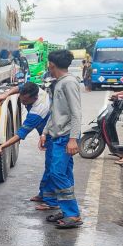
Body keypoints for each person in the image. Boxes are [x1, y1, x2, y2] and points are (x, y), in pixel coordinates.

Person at [38, 50, 83, 229]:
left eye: (48, 63)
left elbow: (76, 113)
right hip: (57, 136)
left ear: (52, 64)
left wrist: (73, 139)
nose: (48, 66)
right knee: (63, 173)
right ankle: (66, 211)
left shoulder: (69, 83)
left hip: (65, 137)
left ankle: (72, 214)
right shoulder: (59, 83)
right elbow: (55, 112)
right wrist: (45, 132)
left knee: (57, 173)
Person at [0, 82, 51, 201]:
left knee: (53, 168)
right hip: (45, 132)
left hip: (52, 136)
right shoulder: (35, 89)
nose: (22, 102)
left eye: (25, 101)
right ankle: (44, 195)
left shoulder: (38, 110)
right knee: (50, 166)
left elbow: (20, 134)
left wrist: (1, 147)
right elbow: (19, 88)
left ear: (34, 98)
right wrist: (5, 95)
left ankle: (50, 200)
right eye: (21, 98)